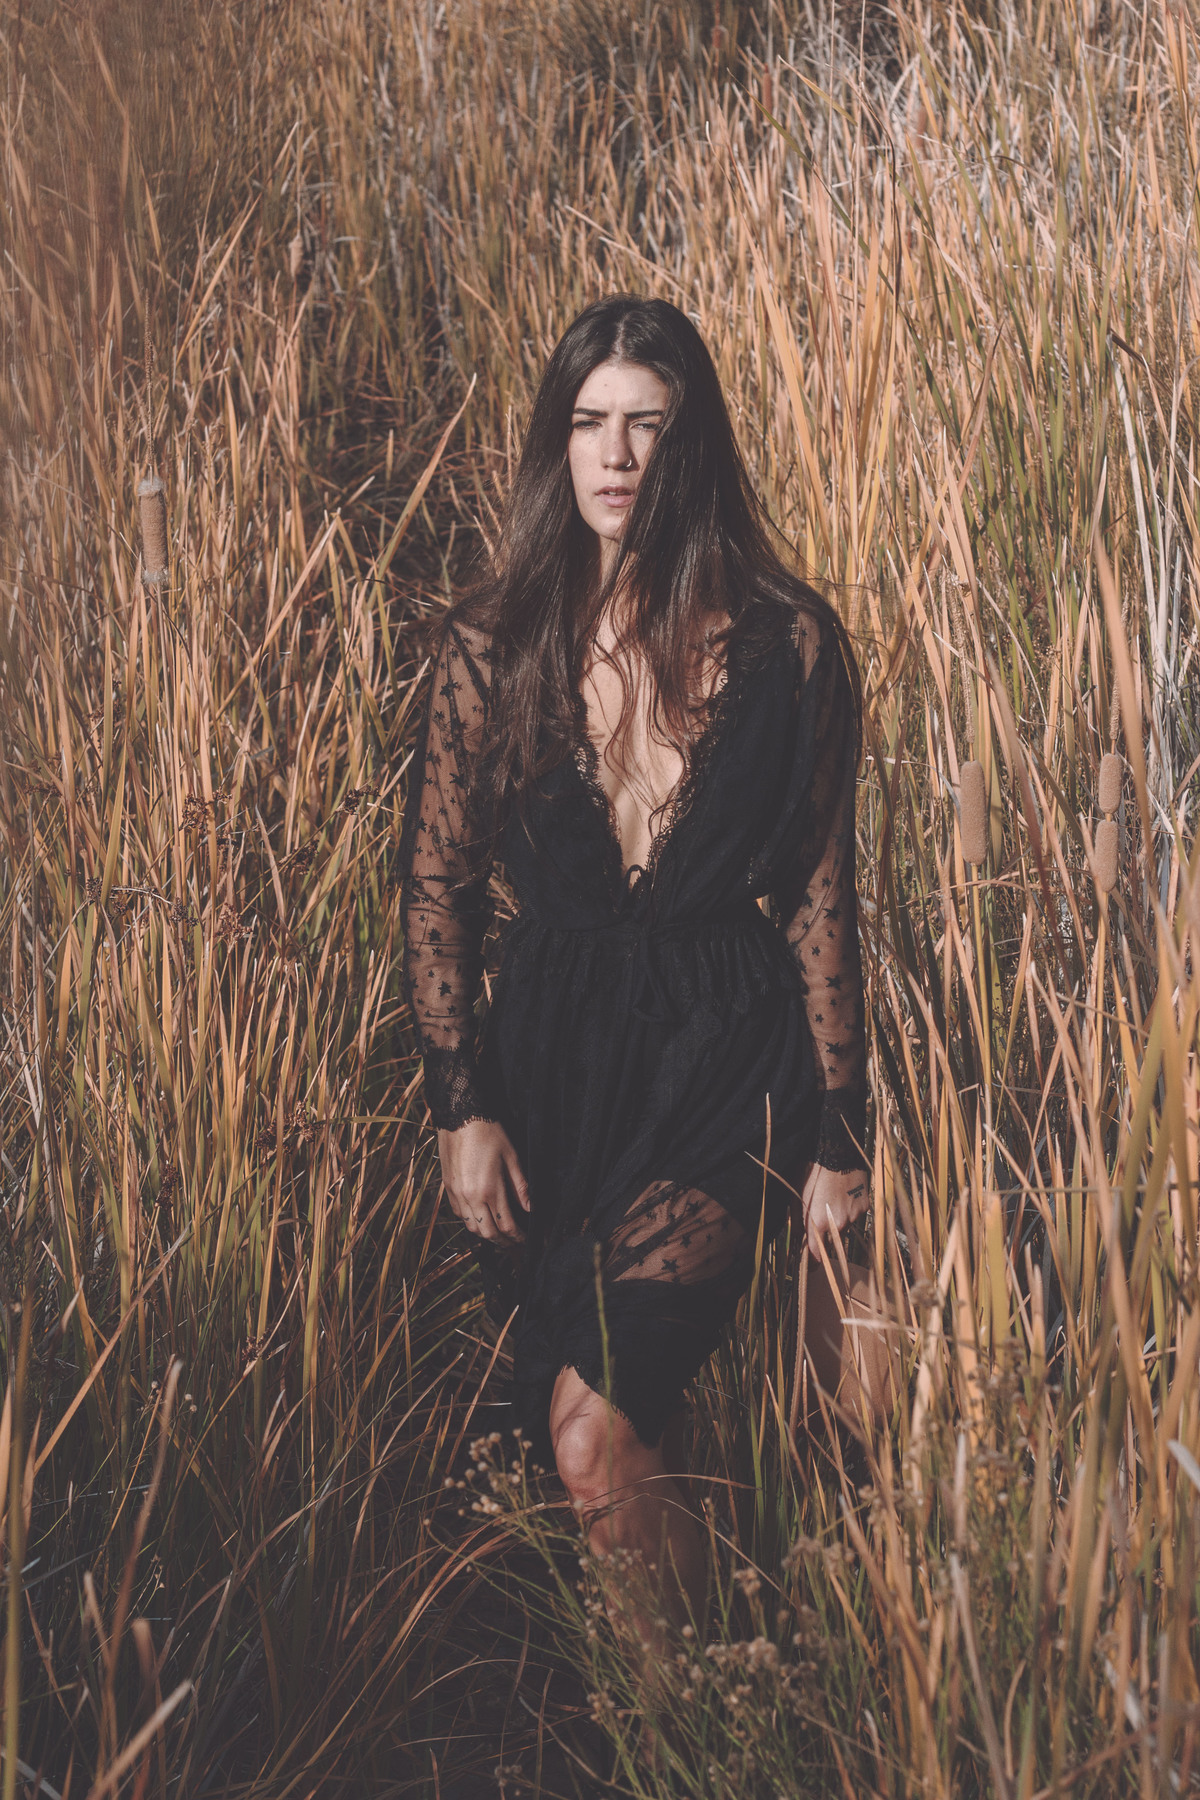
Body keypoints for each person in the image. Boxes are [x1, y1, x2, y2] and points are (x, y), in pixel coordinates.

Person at [399, 294, 885, 1680]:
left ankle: (687, 1727)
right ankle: (732, 1691)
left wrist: (837, 1135)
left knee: (592, 1438)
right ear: (558, 445)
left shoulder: (791, 647)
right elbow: (436, 888)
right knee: (626, 1436)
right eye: (588, 424)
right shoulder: (493, 647)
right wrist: (462, 1106)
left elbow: (819, 894)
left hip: (723, 1068)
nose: (614, 458)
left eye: (647, 428)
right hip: (555, 1077)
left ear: (695, 443)